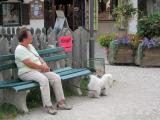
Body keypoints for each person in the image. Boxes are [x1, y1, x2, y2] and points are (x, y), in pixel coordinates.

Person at [15, 27, 72, 115]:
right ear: (24, 38)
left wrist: (44, 64)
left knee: (56, 77)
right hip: (26, 72)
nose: (32, 37)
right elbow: (29, 63)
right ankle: (48, 106)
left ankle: (61, 103)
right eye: (30, 35)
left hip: (37, 70)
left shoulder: (30, 46)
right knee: (43, 79)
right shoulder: (19, 49)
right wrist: (42, 67)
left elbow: (38, 57)